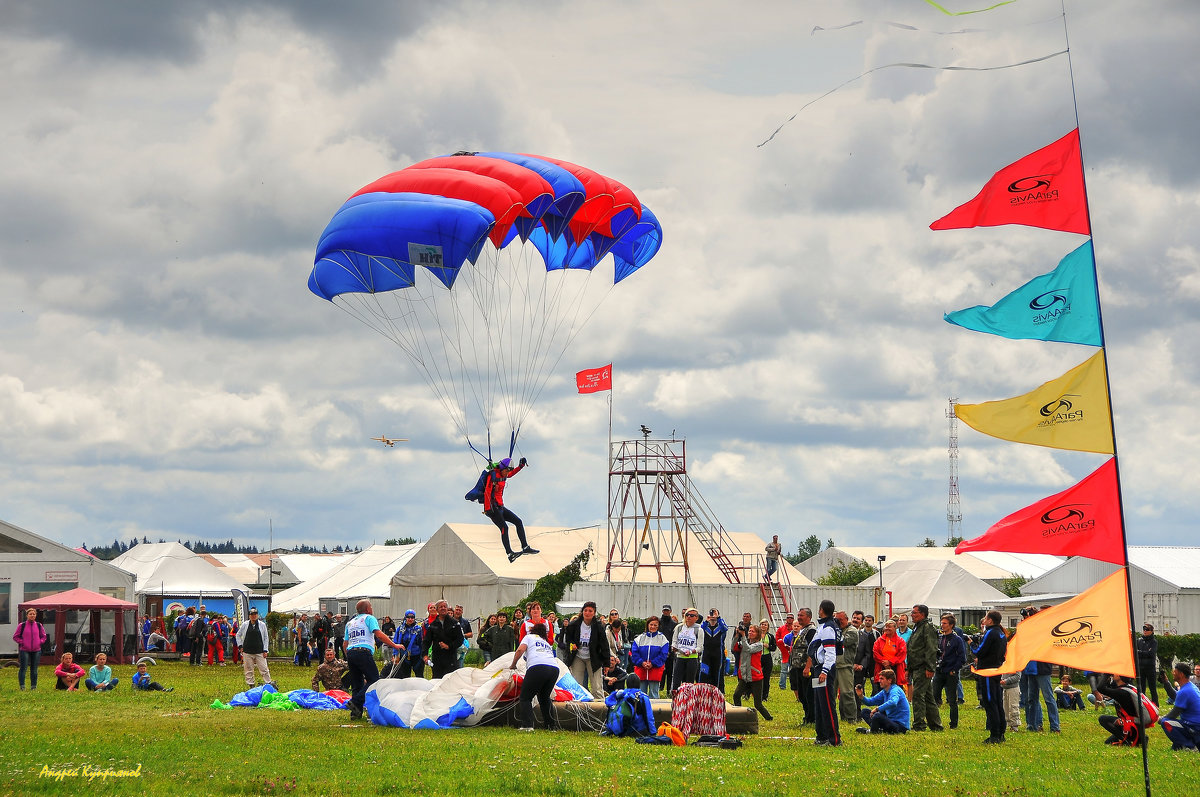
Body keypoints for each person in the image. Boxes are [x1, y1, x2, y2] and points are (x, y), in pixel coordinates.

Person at [345, 599, 402, 721]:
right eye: (370, 606)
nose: (372, 608)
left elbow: (345, 643)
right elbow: (379, 634)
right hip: (363, 651)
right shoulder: (369, 618)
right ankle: (355, 701)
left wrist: (348, 655)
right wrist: (394, 645)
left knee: (357, 683)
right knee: (374, 679)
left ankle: (356, 712)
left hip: (351, 652)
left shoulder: (350, 623)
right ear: (367, 609)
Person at [483, 457, 538, 562]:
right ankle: (509, 554)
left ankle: (525, 547)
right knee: (504, 528)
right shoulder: (492, 475)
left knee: (518, 521)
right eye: (507, 470)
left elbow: (512, 474)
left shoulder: (505, 474)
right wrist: (487, 508)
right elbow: (487, 491)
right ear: (502, 468)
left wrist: (521, 466)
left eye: (509, 471)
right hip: (492, 508)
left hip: (501, 507)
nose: (508, 473)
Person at [509, 622, 559, 730]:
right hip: (554, 668)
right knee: (544, 697)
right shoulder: (545, 641)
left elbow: (520, 650)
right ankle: (551, 726)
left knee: (525, 697)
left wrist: (513, 664)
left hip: (538, 667)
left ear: (533, 630)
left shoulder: (529, 637)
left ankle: (527, 725)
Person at [972, 610, 1009, 744]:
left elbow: (980, 652)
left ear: (990, 621)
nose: (984, 620)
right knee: (997, 701)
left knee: (989, 701)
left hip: (987, 671)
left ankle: (995, 734)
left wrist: (971, 643)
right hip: (996, 669)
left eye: (986, 618)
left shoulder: (991, 632)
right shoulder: (1001, 634)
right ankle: (1001, 732)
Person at [810, 599, 842, 746]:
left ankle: (834, 739)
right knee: (819, 703)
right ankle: (821, 736)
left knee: (828, 705)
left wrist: (824, 671)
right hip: (818, 669)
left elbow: (831, 653)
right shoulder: (823, 626)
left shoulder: (828, 628)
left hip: (824, 670)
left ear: (822, 610)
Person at [563, 601, 611, 698]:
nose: (587, 613)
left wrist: (606, 663)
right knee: (577, 685)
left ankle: (600, 710)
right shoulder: (574, 625)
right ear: (582, 611)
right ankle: (577, 708)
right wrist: (572, 644)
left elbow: (604, 645)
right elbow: (568, 640)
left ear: (594, 613)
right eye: (585, 610)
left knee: (596, 687)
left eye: (590, 611)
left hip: (594, 657)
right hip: (578, 656)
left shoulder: (598, 626)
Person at [1096, 673, 1151, 746]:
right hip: (1134, 726)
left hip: (1131, 727)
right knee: (1108, 742)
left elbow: (1100, 688)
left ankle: (1128, 740)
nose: (1113, 674)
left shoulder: (1122, 693)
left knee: (1103, 719)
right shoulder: (1129, 688)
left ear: (1120, 677)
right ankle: (1140, 738)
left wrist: (1106, 673)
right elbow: (1107, 686)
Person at [732, 624, 773, 721]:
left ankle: (769, 718)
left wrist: (743, 637)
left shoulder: (759, 645)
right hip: (745, 676)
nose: (750, 632)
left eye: (752, 631)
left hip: (755, 677)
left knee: (758, 704)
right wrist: (736, 636)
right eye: (749, 631)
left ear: (757, 634)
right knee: (736, 695)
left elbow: (748, 649)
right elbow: (733, 648)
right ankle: (739, 714)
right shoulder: (744, 642)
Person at [933, 613, 966, 730]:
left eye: (945, 623)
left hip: (950, 672)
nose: (942, 625)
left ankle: (953, 724)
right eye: (941, 623)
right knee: (934, 697)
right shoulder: (939, 638)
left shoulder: (957, 639)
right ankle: (934, 722)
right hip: (939, 671)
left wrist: (954, 669)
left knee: (952, 700)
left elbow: (962, 658)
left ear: (951, 625)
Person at [1159, 662, 1200, 751]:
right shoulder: (1189, 687)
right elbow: (1175, 695)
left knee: (1166, 722)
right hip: (1195, 726)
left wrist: (1160, 718)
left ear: (1181, 674)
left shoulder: (1185, 691)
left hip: (1194, 728)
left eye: (1175, 671)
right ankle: (1180, 745)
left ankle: (1189, 746)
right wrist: (1166, 682)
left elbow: (1173, 714)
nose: (1173, 672)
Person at [855, 668, 910, 734]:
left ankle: (872, 731)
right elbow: (870, 701)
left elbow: (893, 702)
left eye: (882, 679)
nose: (879, 681)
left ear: (889, 680)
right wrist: (861, 696)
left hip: (900, 725)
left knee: (877, 716)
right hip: (890, 721)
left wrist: (877, 708)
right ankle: (879, 729)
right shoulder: (884, 691)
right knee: (865, 711)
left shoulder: (895, 690)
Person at [423, 600, 465, 678]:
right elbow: (426, 641)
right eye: (440, 607)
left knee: (450, 680)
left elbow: (460, 640)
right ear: (437, 609)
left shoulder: (454, 623)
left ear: (447, 608)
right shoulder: (433, 625)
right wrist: (425, 655)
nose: (443, 608)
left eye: (444, 607)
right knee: (437, 680)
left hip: (451, 658)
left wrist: (449, 646)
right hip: (437, 658)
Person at [631, 616, 668, 698]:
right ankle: (641, 710)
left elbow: (663, 655)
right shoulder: (639, 638)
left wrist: (653, 663)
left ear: (658, 626)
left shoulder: (663, 639)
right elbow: (634, 653)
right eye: (651, 624)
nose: (653, 627)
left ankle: (654, 711)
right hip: (641, 670)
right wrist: (642, 662)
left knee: (654, 694)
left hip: (655, 670)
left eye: (655, 625)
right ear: (647, 625)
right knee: (640, 694)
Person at [235, 607, 273, 688]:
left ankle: (268, 683)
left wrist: (265, 650)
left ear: (257, 615)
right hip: (247, 651)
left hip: (259, 651)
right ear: (249, 616)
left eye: (255, 614)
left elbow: (266, 637)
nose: (253, 616)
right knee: (248, 669)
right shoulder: (245, 624)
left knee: (264, 668)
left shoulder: (262, 625)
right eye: (252, 615)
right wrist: (240, 646)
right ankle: (251, 685)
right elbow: (238, 635)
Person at [670, 608, 703, 694]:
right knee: (676, 680)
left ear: (696, 618)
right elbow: (674, 641)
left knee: (689, 682)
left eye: (692, 615)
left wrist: (691, 651)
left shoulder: (699, 629)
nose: (689, 617)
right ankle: (675, 698)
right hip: (680, 657)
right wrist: (674, 648)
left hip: (692, 658)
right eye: (687, 615)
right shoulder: (679, 627)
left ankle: (688, 700)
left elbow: (700, 647)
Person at [14, 607, 48, 690]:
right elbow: (16, 636)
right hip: (24, 650)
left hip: (36, 650)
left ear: (36, 615)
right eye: (30, 614)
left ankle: (33, 686)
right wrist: (23, 642)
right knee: (23, 668)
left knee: (34, 669)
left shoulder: (39, 625)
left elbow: (44, 636)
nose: (32, 615)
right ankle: (22, 686)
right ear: (27, 615)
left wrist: (40, 642)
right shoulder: (22, 625)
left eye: (34, 614)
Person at [834, 611, 858, 723]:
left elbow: (844, 641)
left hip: (845, 665)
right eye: (836, 620)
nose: (838, 622)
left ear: (846, 619)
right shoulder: (838, 630)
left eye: (840, 620)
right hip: (834, 665)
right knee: (830, 693)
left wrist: (834, 631)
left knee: (846, 693)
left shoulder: (852, 630)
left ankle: (851, 717)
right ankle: (833, 716)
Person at [872, 619, 907, 688]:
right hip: (881, 668)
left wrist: (890, 662)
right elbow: (875, 653)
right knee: (880, 689)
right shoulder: (879, 640)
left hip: (896, 669)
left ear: (895, 628)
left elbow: (901, 655)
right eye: (886, 627)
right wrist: (884, 663)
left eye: (889, 627)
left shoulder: (900, 641)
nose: (887, 628)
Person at [699, 609, 728, 691]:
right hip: (706, 653)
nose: (712, 615)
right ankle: (703, 689)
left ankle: (717, 690)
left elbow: (725, 628)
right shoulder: (705, 626)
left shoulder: (720, 626)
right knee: (704, 671)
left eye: (714, 613)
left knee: (717, 672)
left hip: (718, 653)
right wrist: (706, 621)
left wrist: (718, 618)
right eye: (711, 613)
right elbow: (700, 630)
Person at [392, 609, 425, 678]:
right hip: (404, 655)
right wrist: (395, 655)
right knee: (405, 676)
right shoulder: (400, 629)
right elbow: (395, 642)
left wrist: (423, 655)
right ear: (405, 617)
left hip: (417, 655)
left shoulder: (418, 629)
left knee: (419, 675)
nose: (410, 619)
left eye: (412, 617)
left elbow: (421, 643)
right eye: (408, 617)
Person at [854, 613, 878, 697]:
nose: (867, 622)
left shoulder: (876, 634)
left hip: (873, 659)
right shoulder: (860, 633)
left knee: (873, 677)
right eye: (866, 620)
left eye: (869, 620)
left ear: (873, 622)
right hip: (862, 659)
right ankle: (861, 694)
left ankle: (874, 695)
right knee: (862, 678)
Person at [1136, 623, 1159, 705]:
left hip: (1150, 667)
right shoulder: (1139, 640)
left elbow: (1151, 654)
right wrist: (1145, 653)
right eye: (1144, 629)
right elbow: (1135, 652)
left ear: (1152, 631)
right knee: (1141, 688)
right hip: (1140, 667)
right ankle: (1142, 704)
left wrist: (1140, 653)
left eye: (1147, 629)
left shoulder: (1154, 642)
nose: (1145, 631)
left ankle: (1156, 704)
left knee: (1152, 688)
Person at [657, 605, 677, 694]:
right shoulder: (658, 623)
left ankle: (669, 689)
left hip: (670, 651)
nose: (666, 612)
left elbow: (674, 638)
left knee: (669, 671)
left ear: (670, 611)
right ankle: (660, 688)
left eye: (667, 610)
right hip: (659, 650)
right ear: (662, 611)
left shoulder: (674, 624)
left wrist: (671, 650)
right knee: (660, 670)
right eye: (664, 610)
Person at [758, 619, 777, 700]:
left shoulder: (770, 636)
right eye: (762, 624)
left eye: (765, 625)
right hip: (758, 657)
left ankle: (765, 696)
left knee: (766, 677)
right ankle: (750, 693)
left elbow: (774, 648)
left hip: (767, 657)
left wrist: (768, 646)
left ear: (768, 627)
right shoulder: (756, 635)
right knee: (756, 676)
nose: (763, 626)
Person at [776, 612, 795, 692]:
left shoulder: (796, 628)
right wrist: (782, 646)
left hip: (794, 653)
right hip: (785, 652)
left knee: (793, 670)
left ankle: (793, 685)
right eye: (788, 617)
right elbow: (777, 639)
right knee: (783, 670)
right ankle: (782, 685)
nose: (789, 619)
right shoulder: (781, 628)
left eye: (791, 618)